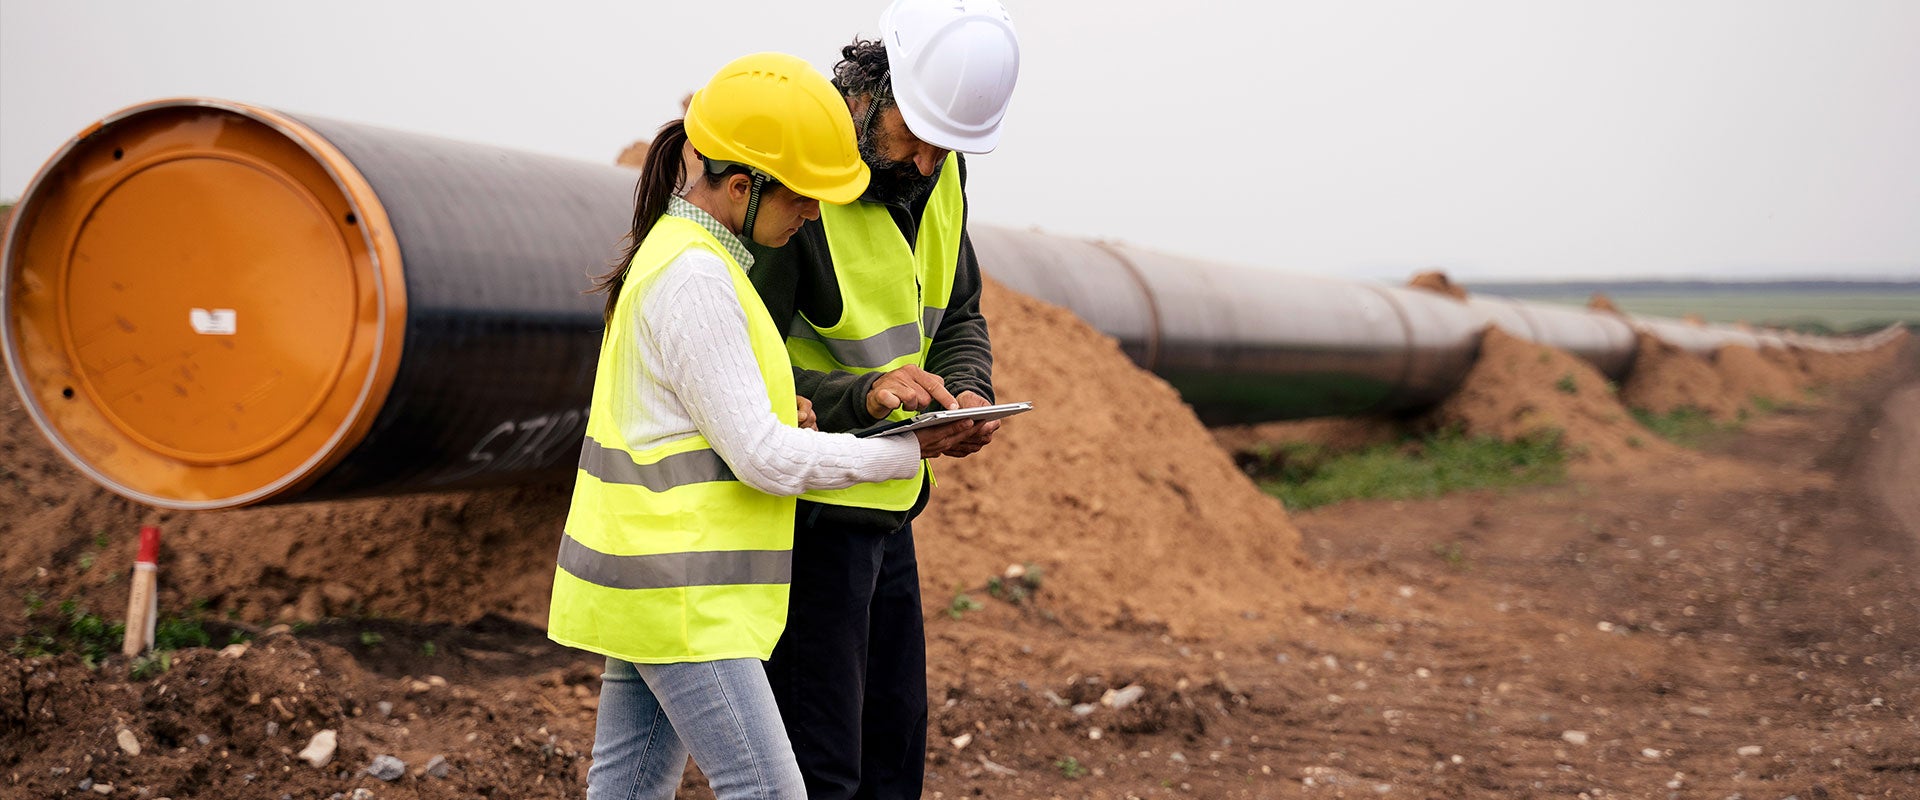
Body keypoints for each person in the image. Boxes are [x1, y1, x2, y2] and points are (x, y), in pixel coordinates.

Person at [547, 52, 975, 800]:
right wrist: (904, 453)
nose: (814, 215)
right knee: (770, 789)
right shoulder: (698, 279)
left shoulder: (686, 257)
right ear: (744, 186)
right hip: (683, 592)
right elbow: (767, 460)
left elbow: (707, 415)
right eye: (803, 199)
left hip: (651, 585)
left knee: (629, 787)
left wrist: (786, 399)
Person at [745, 2, 1022, 797]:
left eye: (951, 147)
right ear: (871, 93)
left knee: (893, 752)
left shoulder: (939, 172)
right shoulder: (796, 186)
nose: (931, 164)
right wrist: (865, 395)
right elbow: (731, 368)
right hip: (801, 517)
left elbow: (958, 310)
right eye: (920, 137)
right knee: (819, 767)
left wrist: (969, 392)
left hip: (887, 502)